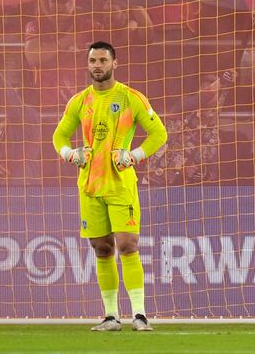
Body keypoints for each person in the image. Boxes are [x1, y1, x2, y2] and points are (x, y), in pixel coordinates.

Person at [51, 41, 166, 332]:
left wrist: (134, 155)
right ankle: (111, 316)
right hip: (90, 186)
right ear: (87, 64)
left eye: (103, 60)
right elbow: (59, 136)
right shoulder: (79, 101)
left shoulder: (130, 98)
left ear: (115, 63)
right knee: (102, 249)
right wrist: (70, 154)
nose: (97, 65)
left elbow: (159, 133)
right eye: (92, 60)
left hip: (120, 186)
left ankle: (139, 315)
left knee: (127, 245)